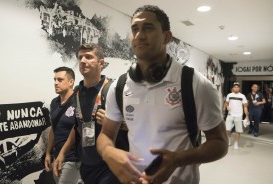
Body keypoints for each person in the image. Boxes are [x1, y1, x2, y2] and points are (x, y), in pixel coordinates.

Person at [97, 5, 228, 184]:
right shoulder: (119, 86)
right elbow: (105, 134)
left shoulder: (195, 84)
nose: (139, 35)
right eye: (134, 29)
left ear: (166, 37)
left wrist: (178, 159)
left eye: (148, 28)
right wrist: (109, 152)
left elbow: (220, 143)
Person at [53, 43, 121, 184]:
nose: (83, 61)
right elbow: (77, 127)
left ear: (101, 63)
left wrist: (115, 122)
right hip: (86, 165)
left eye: (89, 57)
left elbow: (135, 124)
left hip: (109, 166)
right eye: (80, 57)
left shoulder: (113, 90)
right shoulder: (78, 91)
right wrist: (62, 153)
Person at [44, 67, 81, 184]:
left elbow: (79, 129)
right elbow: (53, 129)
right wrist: (49, 152)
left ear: (71, 82)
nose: (55, 83)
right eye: (54, 79)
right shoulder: (54, 103)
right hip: (58, 158)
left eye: (60, 80)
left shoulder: (79, 101)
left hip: (74, 158)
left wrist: (63, 154)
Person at [224, 82, 249, 149]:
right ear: (232, 88)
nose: (236, 88)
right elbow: (226, 103)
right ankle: (229, 139)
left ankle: (236, 143)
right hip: (230, 114)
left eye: (237, 87)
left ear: (239, 88)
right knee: (227, 129)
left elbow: (245, 106)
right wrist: (227, 107)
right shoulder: (229, 95)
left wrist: (247, 116)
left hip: (238, 115)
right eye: (235, 87)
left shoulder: (242, 96)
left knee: (238, 130)